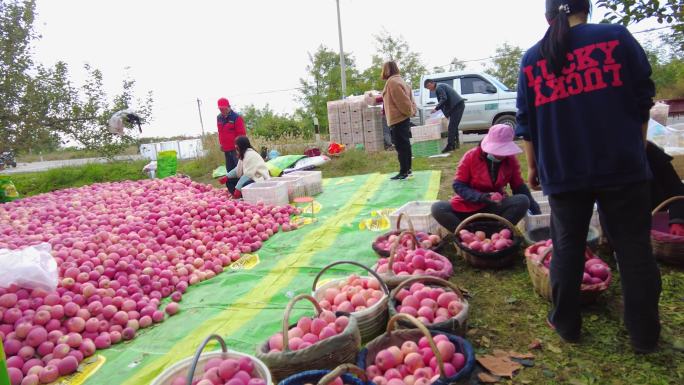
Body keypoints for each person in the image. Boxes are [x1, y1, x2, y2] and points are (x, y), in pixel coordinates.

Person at [515, 0, 661, 352]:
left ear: (548, 16)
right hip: (622, 166)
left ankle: (566, 325)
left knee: (567, 248)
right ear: (587, 8)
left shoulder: (532, 59)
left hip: (564, 170)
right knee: (633, 250)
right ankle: (643, 336)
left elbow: (526, 124)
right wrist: (637, 148)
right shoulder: (616, 38)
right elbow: (644, 99)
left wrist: (534, 168)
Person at [431, 124, 541, 233]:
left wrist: (536, 211)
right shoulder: (471, 156)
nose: (500, 155)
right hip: (467, 206)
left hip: (494, 207)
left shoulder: (510, 160)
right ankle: (466, 234)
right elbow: (458, 185)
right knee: (438, 208)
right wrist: (481, 197)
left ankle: (496, 233)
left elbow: (519, 187)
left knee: (522, 200)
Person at [382, 61, 417, 180]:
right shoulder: (400, 80)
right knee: (405, 145)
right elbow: (410, 98)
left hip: (398, 118)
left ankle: (404, 171)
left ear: (387, 70)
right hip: (402, 117)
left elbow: (402, 101)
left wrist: (409, 111)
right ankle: (408, 170)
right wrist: (411, 110)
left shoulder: (392, 82)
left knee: (401, 146)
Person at [424, 79, 466, 152]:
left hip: (457, 106)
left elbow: (444, 99)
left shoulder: (438, 88)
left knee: (452, 127)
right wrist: (442, 114)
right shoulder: (440, 86)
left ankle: (450, 146)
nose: (429, 89)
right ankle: (455, 145)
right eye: (427, 88)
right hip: (456, 106)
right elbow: (445, 103)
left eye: (428, 86)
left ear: (432, 83)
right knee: (454, 126)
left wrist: (436, 109)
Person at [217, 97, 247, 192]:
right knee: (229, 170)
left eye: (224, 109)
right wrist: (221, 143)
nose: (222, 111)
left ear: (228, 107)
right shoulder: (219, 118)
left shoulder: (236, 118)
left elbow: (241, 134)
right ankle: (233, 191)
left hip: (236, 149)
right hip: (226, 149)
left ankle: (242, 191)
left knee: (239, 170)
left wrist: (239, 147)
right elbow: (220, 132)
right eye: (220, 109)